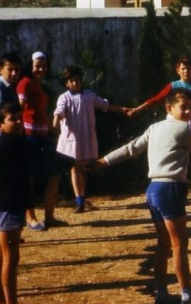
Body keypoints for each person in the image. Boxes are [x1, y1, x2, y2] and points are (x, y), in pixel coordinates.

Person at [94, 89, 191, 304]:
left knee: (163, 244)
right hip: (170, 187)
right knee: (179, 244)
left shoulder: (155, 127)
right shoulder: (184, 129)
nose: (189, 112)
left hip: (153, 189)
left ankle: (161, 293)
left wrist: (104, 161)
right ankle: (187, 295)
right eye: (184, 107)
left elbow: (132, 148)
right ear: (169, 108)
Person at [130, 57, 191, 200]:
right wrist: (138, 109)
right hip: (179, 125)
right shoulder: (173, 86)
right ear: (178, 70)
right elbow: (157, 99)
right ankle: (180, 186)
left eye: (189, 69)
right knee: (178, 155)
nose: (187, 71)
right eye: (183, 69)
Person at [52, 65, 131, 214]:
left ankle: (82, 196)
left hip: (86, 139)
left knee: (84, 168)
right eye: (71, 81)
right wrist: (55, 122)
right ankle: (79, 200)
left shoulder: (89, 96)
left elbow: (104, 105)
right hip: (72, 140)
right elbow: (60, 111)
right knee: (74, 167)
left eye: (77, 80)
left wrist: (122, 109)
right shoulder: (64, 98)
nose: (75, 83)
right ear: (67, 83)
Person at [0, 103, 41, 304]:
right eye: (14, 119)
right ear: (0, 125)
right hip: (9, 206)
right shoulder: (16, 143)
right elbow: (42, 160)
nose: (20, 122)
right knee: (11, 257)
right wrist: (76, 162)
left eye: (20, 118)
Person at [17, 51, 61, 231]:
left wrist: (51, 128)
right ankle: (30, 217)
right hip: (30, 136)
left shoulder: (40, 85)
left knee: (54, 173)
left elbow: (40, 112)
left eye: (44, 66)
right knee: (31, 177)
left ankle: (49, 216)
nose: (41, 69)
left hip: (43, 136)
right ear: (31, 65)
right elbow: (20, 109)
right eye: (37, 66)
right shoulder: (25, 84)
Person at [0, 53, 22, 145]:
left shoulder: (10, 87)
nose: (14, 73)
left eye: (16, 70)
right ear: (0, 70)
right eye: (10, 69)